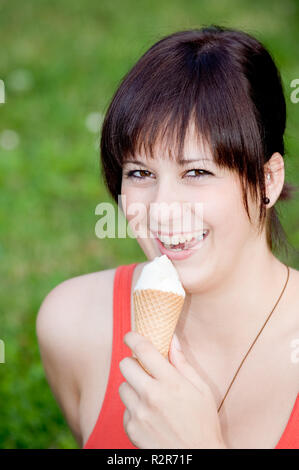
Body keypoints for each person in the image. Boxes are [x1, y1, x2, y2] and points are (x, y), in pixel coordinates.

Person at [36, 25, 299, 449]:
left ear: (267, 180)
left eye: (197, 172)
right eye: (140, 173)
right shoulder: (72, 324)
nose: (162, 208)